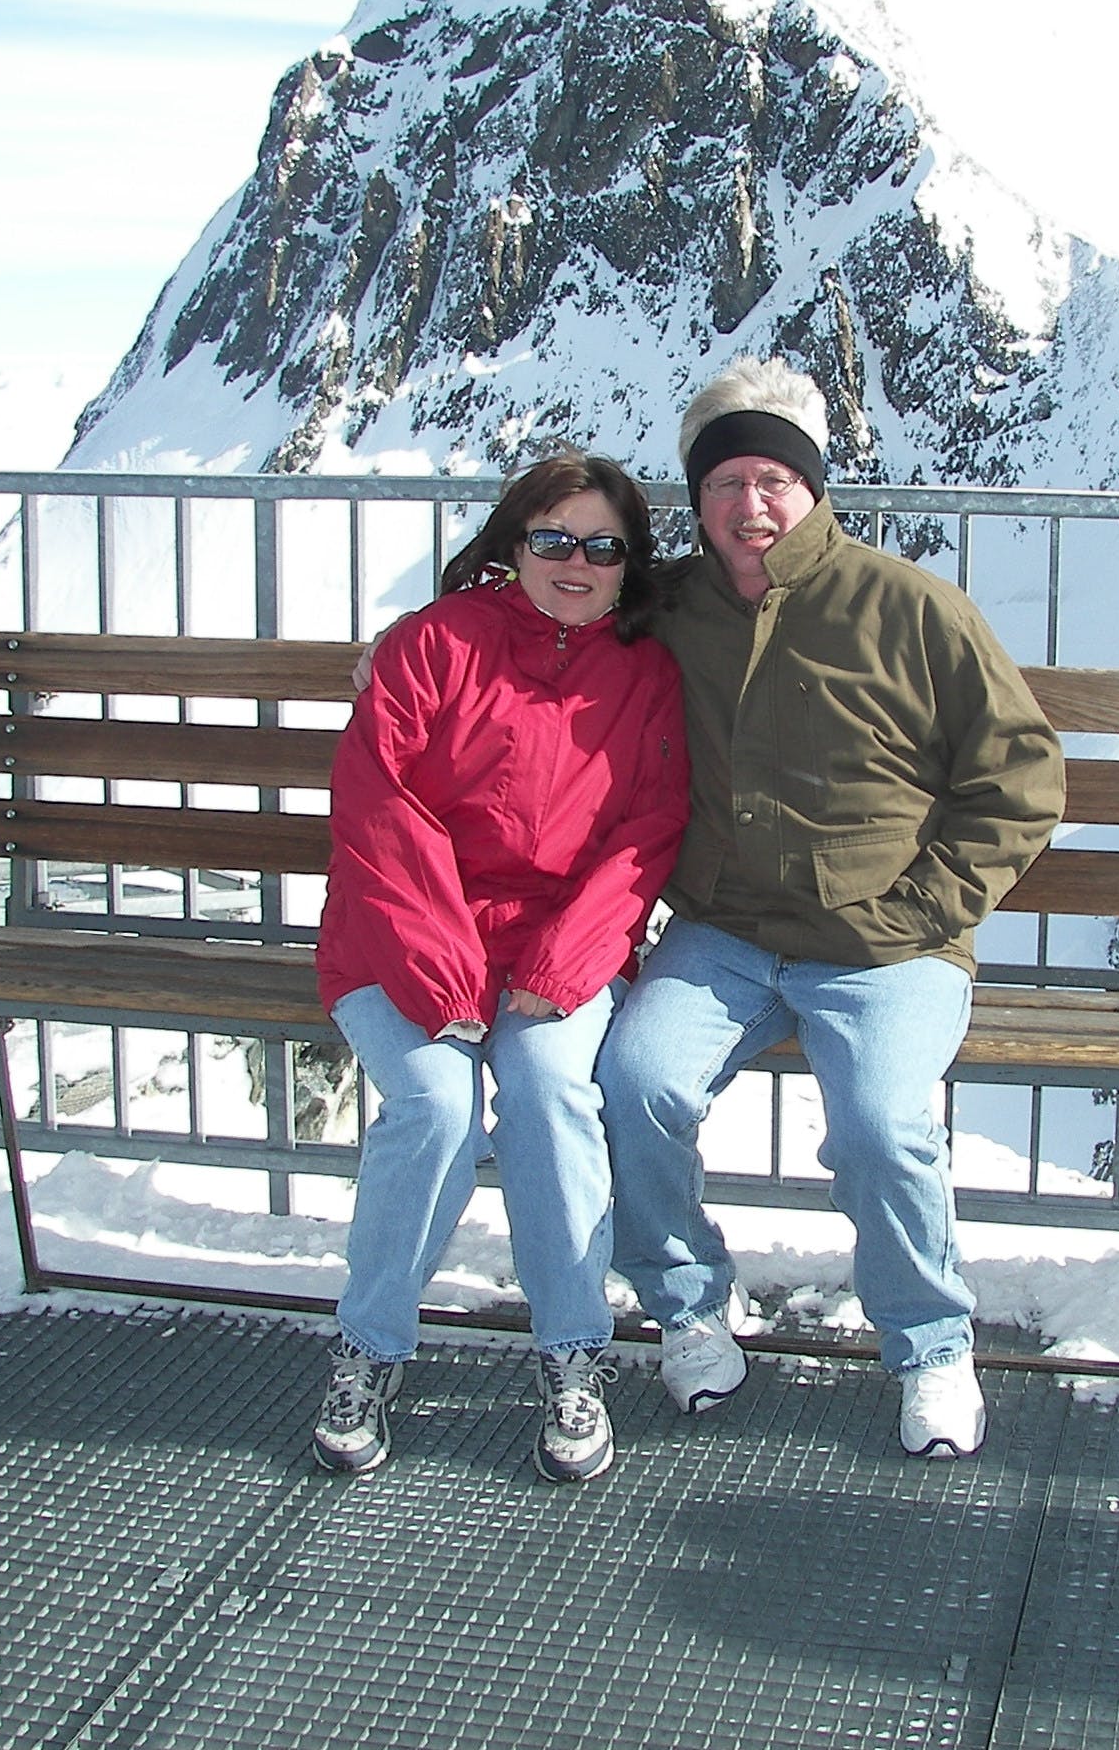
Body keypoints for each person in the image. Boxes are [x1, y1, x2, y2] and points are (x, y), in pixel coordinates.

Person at [600, 357, 1066, 1458]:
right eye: (724, 483)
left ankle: (931, 1345)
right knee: (633, 1080)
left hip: (885, 944)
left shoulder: (908, 608)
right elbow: (538, 621)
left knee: (880, 1125)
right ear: (696, 499)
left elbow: (1022, 774)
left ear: (811, 487)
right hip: (725, 932)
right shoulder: (666, 609)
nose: (749, 506)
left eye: (771, 478)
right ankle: (689, 1310)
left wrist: (930, 906)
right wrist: (409, 651)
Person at [312, 448, 689, 1484]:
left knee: (550, 1084)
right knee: (431, 1104)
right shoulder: (433, 647)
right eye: (554, 538)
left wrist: (569, 959)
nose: (577, 562)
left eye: (603, 546)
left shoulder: (646, 672)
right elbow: (379, 808)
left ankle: (573, 1352)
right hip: (398, 934)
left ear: (629, 564)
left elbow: (647, 829)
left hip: (552, 946)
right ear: (512, 543)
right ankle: (370, 1346)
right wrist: (439, 973)